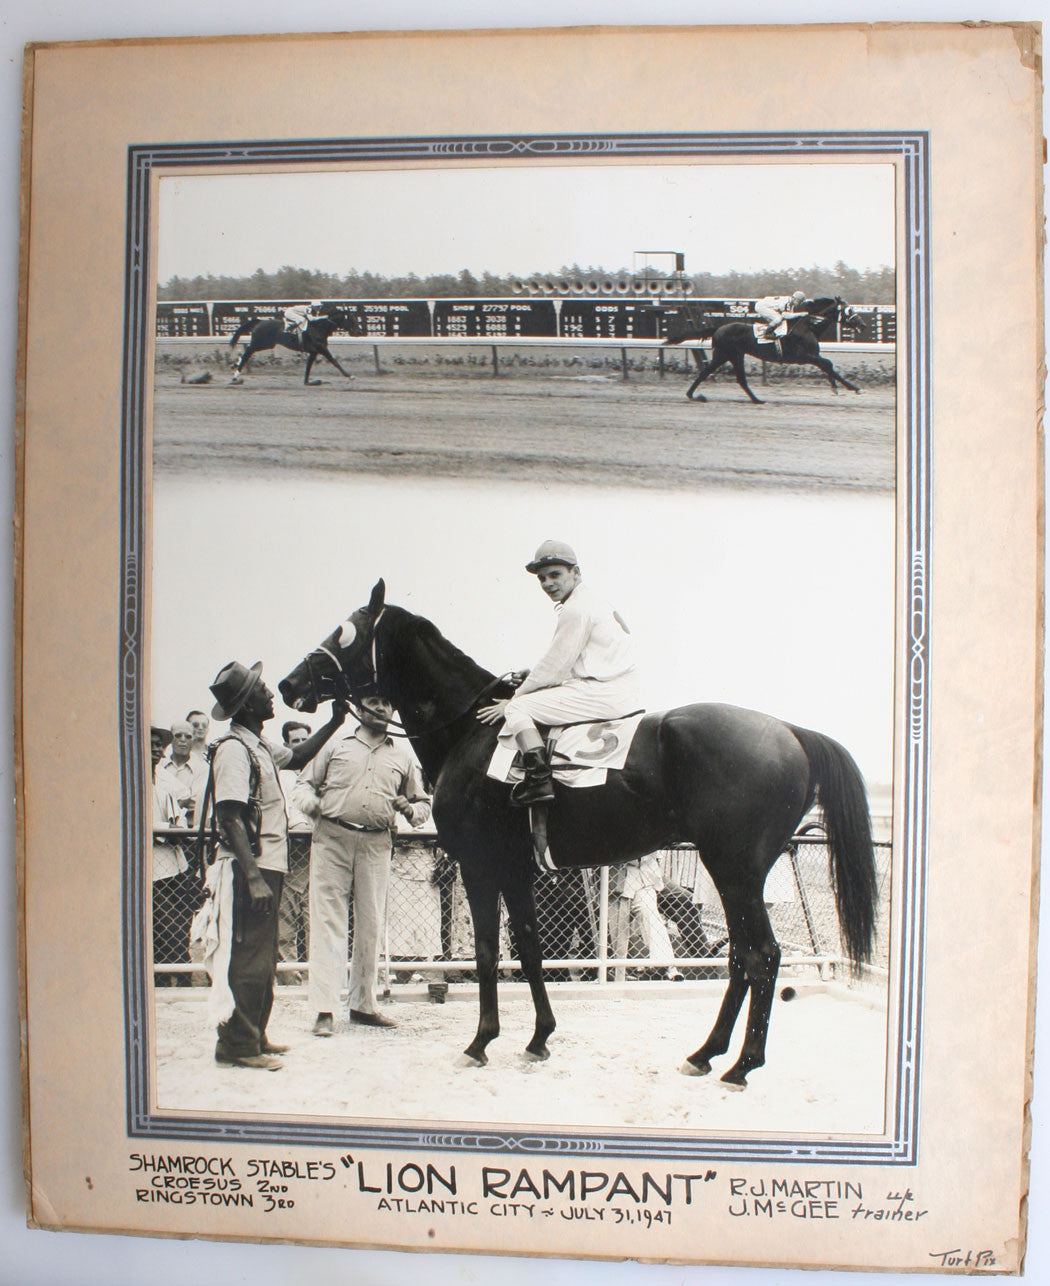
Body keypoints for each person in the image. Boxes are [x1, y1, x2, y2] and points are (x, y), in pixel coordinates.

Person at [202, 660, 347, 1071]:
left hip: (267, 865)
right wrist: (252, 876)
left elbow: (299, 756)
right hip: (250, 866)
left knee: (263, 957)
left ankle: (254, 1035)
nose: (270, 694)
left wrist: (335, 721)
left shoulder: (258, 746)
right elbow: (229, 816)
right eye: (262, 690)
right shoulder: (234, 750)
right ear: (248, 704)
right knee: (248, 957)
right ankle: (239, 1045)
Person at [299, 693, 431, 1036]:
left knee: (371, 923)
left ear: (393, 710)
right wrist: (312, 806)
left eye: (388, 702)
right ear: (358, 707)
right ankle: (324, 1010)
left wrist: (409, 810)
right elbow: (303, 785)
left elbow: (422, 807)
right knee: (329, 922)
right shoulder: (335, 745)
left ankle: (363, 1005)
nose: (380, 707)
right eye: (372, 700)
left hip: (376, 842)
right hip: (332, 838)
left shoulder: (402, 757)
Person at [477, 540, 641, 806]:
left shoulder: (576, 608)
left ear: (575, 573)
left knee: (518, 710)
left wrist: (514, 698)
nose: (547, 584)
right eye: (542, 578)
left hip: (605, 692)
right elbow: (570, 663)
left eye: (555, 575)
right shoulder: (592, 601)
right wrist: (534, 676)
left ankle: (538, 780)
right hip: (616, 687)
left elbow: (553, 666)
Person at [151, 725, 194, 986]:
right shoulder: (135, 775)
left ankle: (179, 973)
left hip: (173, 862)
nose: (157, 748)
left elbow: (185, 799)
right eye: (152, 743)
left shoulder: (163, 776)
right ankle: (173, 973)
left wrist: (177, 825)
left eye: (160, 744)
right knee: (165, 922)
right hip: (152, 860)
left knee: (179, 919)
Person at [276, 719, 315, 984]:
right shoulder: (281, 775)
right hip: (288, 852)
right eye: (296, 741)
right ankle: (288, 975)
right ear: (287, 745)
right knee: (286, 916)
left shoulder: (322, 771)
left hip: (318, 852)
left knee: (316, 918)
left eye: (305, 740)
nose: (302, 746)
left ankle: (318, 976)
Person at [609, 854, 683, 983]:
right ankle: (618, 975)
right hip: (618, 880)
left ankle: (668, 967)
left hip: (645, 878)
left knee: (651, 916)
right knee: (619, 932)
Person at [155, 719, 209, 827]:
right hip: (162, 827)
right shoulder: (159, 765)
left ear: (193, 740)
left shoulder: (202, 767)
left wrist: (167, 804)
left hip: (190, 830)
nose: (183, 740)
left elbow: (194, 802)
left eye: (188, 737)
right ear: (171, 740)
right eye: (178, 736)